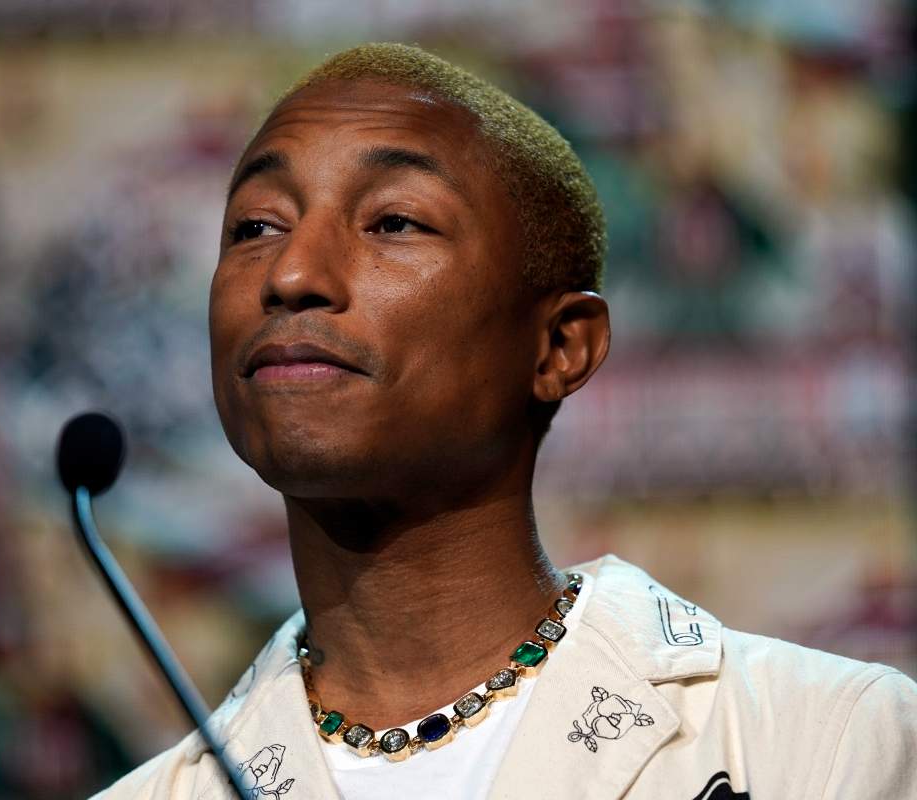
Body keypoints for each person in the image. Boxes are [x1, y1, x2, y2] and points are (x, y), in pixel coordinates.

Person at [96, 42, 916, 799]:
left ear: (560, 346)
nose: (293, 272)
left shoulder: (828, 744)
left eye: (393, 222)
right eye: (255, 227)